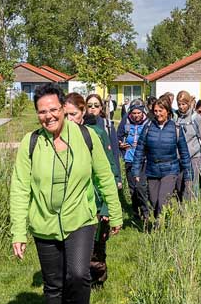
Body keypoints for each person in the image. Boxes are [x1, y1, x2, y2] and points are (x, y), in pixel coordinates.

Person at [10, 85, 123, 304]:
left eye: (53, 109)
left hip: (80, 218)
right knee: (53, 283)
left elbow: (104, 175)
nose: (48, 116)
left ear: (63, 109)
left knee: (78, 274)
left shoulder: (85, 136)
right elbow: (20, 188)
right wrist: (18, 232)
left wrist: (115, 211)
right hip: (44, 223)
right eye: (42, 111)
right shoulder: (31, 143)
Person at [79, 93, 122, 286]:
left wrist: (107, 206)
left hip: (98, 197)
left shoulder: (102, 132)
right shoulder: (70, 134)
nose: (93, 108)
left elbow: (110, 166)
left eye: (96, 105)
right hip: (80, 200)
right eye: (89, 105)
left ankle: (98, 276)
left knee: (98, 241)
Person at [131, 95, 191, 230]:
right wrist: (136, 170)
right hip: (152, 170)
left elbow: (184, 153)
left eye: (160, 111)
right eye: (156, 111)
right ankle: (164, 219)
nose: (158, 114)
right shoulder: (148, 128)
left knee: (162, 200)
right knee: (154, 201)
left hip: (170, 170)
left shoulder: (176, 128)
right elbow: (140, 150)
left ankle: (161, 227)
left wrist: (187, 173)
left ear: (168, 111)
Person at [116, 99, 151, 228]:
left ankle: (146, 212)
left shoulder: (149, 123)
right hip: (129, 158)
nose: (136, 115)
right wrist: (121, 144)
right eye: (134, 113)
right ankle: (135, 212)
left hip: (143, 160)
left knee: (141, 186)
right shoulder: (126, 121)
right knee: (132, 188)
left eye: (138, 113)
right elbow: (118, 136)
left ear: (143, 112)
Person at [176, 91, 201, 198]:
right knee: (180, 185)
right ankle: (181, 207)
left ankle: (191, 209)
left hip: (194, 156)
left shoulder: (196, 118)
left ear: (189, 103)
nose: (181, 107)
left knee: (190, 185)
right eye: (179, 104)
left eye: (183, 104)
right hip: (179, 157)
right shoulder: (176, 118)